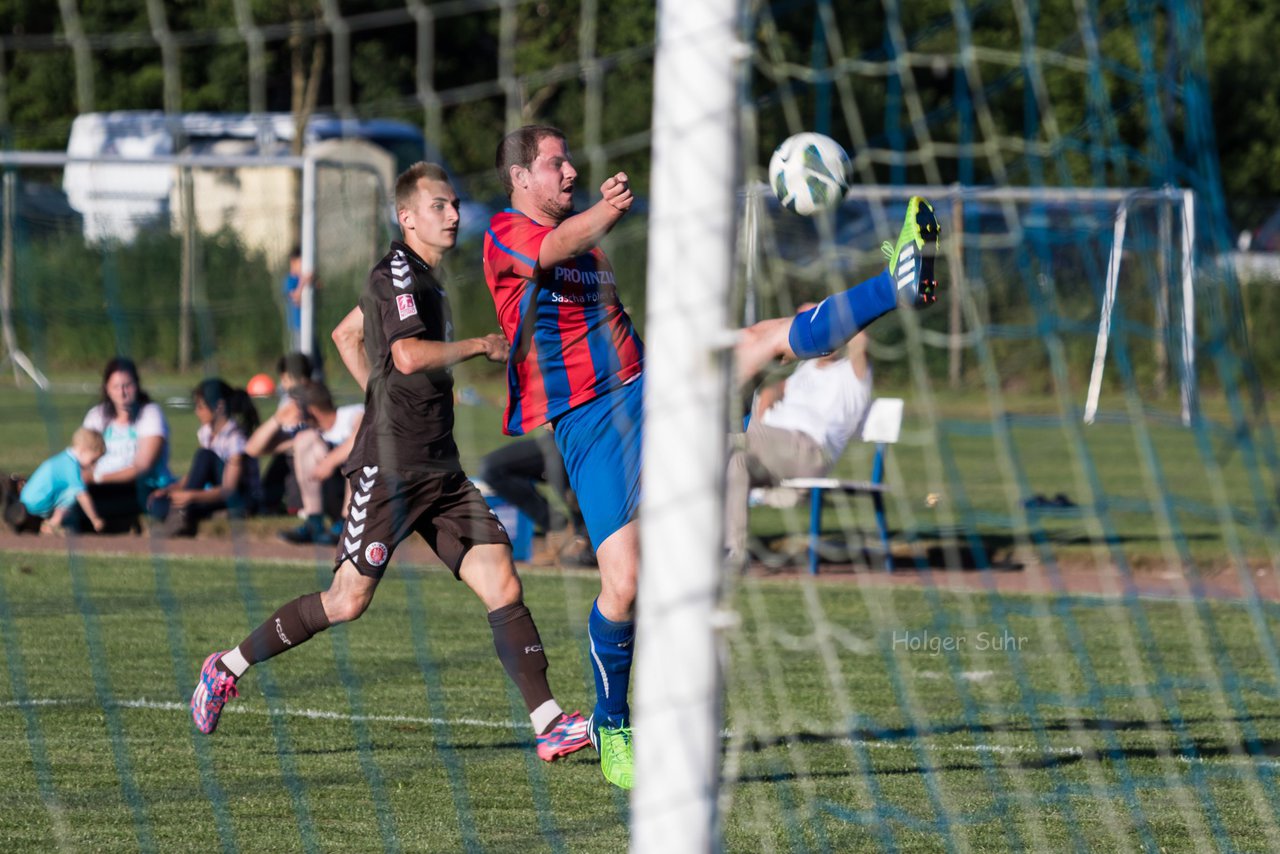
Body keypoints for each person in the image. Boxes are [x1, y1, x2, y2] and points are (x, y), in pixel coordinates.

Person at [483, 125, 940, 789]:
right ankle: (613, 726)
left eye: (570, 162)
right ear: (522, 176)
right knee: (625, 583)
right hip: (587, 425)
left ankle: (893, 284)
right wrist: (606, 212)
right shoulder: (507, 232)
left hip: (647, 391)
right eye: (556, 164)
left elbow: (612, 318)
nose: (571, 171)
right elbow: (553, 246)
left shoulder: (593, 251)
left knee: (757, 341)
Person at [190, 161, 592, 768]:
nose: (454, 214)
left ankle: (550, 723)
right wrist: (479, 346)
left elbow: (346, 335)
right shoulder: (397, 272)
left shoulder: (425, 278)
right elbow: (404, 354)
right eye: (440, 206)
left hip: (442, 470)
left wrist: (379, 395)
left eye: (455, 204)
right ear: (407, 218)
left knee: (502, 580)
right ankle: (225, 666)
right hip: (392, 469)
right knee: (347, 601)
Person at [724, 332, 873, 562]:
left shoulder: (852, 372)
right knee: (735, 464)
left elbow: (860, 340)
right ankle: (733, 552)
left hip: (810, 450)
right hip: (773, 446)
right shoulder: (808, 366)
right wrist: (768, 397)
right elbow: (777, 388)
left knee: (728, 431)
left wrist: (835, 318)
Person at [246, 381, 363, 545]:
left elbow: (360, 439)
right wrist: (277, 419)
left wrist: (330, 461)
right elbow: (253, 449)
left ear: (309, 409)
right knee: (304, 439)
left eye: (293, 407)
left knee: (358, 454)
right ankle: (314, 523)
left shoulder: (354, 414)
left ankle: (347, 525)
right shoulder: (310, 430)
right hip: (330, 494)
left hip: (362, 498)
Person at [150, 379, 261, 537]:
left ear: (219, 406)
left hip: (239, 497)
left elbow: (229, 490)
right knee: (158, 503)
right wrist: (170, 489)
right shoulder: (206, 433)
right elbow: (197, 473)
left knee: (205, 455)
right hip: (215, 493)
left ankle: (184, 515)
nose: (197, 412)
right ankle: (188, 513)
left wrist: (191, 496)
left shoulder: (236, 439)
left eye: (201, 406)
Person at [80, 357, 175, 532]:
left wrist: (97, 477)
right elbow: (81, 457)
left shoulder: (150, 414)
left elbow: (143, 467)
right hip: (103, 487)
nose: (122, 392)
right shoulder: (97, 416)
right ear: (107, 389)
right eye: (116, 386)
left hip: (143, 488)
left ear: (137, 386)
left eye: (127, 385)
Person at [478, 434, 595, 567]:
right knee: (492, 469)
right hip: (561, 435)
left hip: (589, 436)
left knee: (562, 460)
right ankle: (560, 529)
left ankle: (585, 538)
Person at [4, 428, 107, 534]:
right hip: (38, 504)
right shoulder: (71, 466)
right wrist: (94, 519)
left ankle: (40, 522)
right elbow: (82, 495)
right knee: (73, 492)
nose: (94, 465)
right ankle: (52, 525)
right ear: (83, 450)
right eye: (93, 460)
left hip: (26, 499)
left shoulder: (62, 458)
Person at [282, 248, 315, 354]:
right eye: (301, 262)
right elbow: (295, 298)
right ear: (293, 262)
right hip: (297, 327)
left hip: (309, 325)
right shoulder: (290, 280)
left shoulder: (301, 279)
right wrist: (303, 281)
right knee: (300, 356)